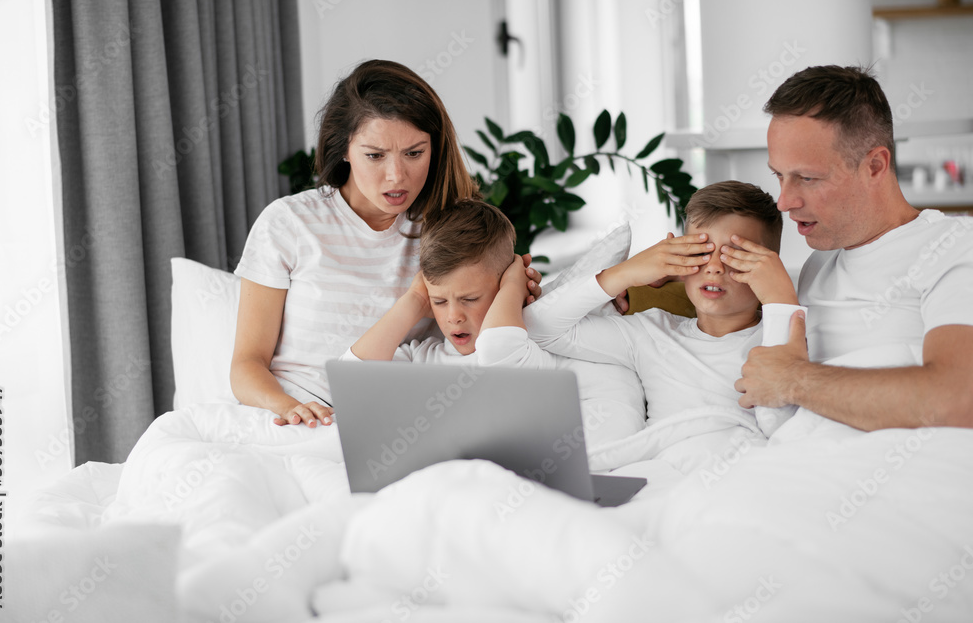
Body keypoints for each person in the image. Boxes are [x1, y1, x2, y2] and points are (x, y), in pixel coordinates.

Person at [229, 60, 541, 428]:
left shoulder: (447, 231)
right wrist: (288, 407)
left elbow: (486, 347)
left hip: (398, 424)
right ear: (344, 148)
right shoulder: (289, 223)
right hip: (294, 421)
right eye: (375, 155)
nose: (397, 177)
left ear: (435, 149)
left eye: (414, 153)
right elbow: (246, 365)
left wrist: (513, 292)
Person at [735, 65, 973, 430]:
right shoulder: (819, 264)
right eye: (779, 175)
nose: (784, 202)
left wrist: (794, 380)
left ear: (875, 165)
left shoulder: (954, 246)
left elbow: (958, 400)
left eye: (808, 178)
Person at [344, 199, 646, 442]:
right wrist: (412, 302)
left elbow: (617, 411)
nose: (453, 317)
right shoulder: (421, 358)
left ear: (504, 287)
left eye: (470, 299)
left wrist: (514, 286)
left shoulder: (536, 349)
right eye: (438, 301)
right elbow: (349, 385)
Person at [525, 180, 800, 436]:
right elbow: (540, 329)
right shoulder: (652, 333)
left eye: (735, 255)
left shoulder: (788, 337)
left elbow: (778, 425)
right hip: (662, 471)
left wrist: (780, 300)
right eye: (701, 252)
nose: (714, 266)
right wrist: (625, 273)